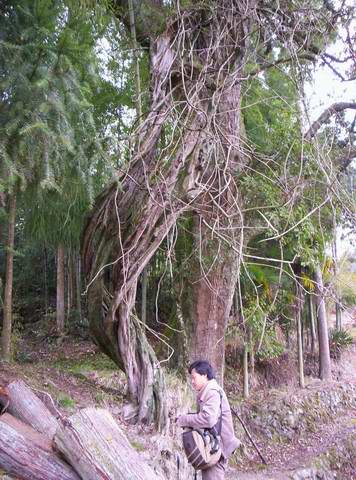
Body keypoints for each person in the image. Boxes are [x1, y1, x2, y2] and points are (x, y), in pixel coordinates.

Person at [177, 360, 241, 480]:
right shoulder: (209, 390)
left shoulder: (212, 392)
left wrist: (184, 419)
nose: (192, 381)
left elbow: (209, 419)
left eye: (194, 377)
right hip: (214, 447)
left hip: (217, 449)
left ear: (204, 375)